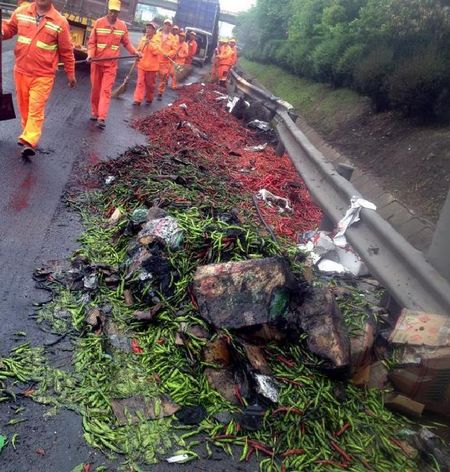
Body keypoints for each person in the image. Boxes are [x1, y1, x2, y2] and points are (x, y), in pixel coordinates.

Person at [1, 0, 76, 157]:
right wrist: (2, 30)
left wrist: (70, 73)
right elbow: (9, 29)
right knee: (24, 105)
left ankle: (30, 141)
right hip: (21, 70)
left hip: (43, 75)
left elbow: (66, 50)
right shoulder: (21, 12)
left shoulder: (60, 22)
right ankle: (27, 133)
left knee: (36, 107)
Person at [87, 0, 139, 128]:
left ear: (118, 12)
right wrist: (90, 55)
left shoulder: (122, 26)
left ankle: (102, 117)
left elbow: (126, 43)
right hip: (97, 63)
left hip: (111, 65)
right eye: (111, 11)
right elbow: (92, 42)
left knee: (106, 91)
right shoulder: (99, 23)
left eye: (116, 12)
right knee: (95, 89)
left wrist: (135, 52)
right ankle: (94, 112)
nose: (113, 14)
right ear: (108, 10)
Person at [133, 22, 160, 106]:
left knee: (150, 85)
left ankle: (149, 97)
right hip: (142, 65)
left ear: (154, 31)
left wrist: (150, 44)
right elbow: (139, 49)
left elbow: (156, 51)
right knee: (140, 82)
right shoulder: (143, 39)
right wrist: (137, 54)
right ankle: (137, 99)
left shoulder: (157, 40)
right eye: (147, 28)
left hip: (152, 67)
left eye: (151, 28)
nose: (148, 30)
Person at [155, 18, 178, 100]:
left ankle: (160, 93)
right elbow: (153, 44)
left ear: (171, 27)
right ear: (163, 25)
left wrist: (168, 54)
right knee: (152, 77)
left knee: (163, 79)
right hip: (155, 60)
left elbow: (175, 50)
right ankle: (149, 92)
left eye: (169, 25)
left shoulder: (173, 38)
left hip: (165, 62)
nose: (167, 26)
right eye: (166, 24)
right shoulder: (157, 35)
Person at [169, 24, 180, 90]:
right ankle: (165, 81)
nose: (175, 30)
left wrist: (176, 54)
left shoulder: (177, 37)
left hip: (174, 56)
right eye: (174, 29)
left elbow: (177, 47)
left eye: (176, 30)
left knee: (172, 72)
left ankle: (174, 84)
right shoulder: (169, 35)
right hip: (168, 55)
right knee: (168, 71)